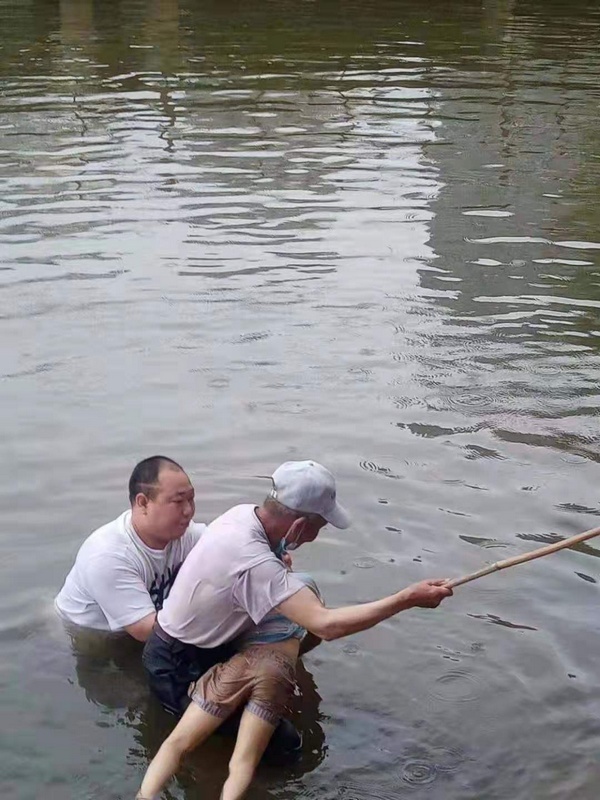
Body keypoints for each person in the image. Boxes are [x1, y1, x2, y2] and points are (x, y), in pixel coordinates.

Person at [142, 459, 453, 724]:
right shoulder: (253, 560)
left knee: (305, 593)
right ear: (301, 525)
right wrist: (406, 600)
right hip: (177, 663)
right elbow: (326, 626)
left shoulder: (243, 514)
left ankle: (272, 674)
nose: (317, 536)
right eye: (320, 527)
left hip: (205, 640)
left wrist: (280, 555)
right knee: (284, 745)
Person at [136, 575, 321, 800]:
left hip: (238, 665)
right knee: (242, 762)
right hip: (274, 674)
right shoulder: (304, 585)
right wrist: (291, 659)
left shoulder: (246, 588)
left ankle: (143, 796)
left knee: (176, 743)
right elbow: (318, 633)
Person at [55, 455, 203, 642]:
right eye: (178, 501)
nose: (188, 510)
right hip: (87, 636)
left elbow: (227, 549)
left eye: (191, 499)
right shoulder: (108, 555)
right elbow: (147, 631)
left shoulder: (186, 534)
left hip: (137, 630)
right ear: (143, 503)